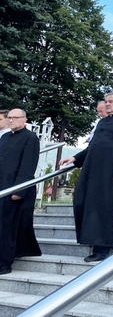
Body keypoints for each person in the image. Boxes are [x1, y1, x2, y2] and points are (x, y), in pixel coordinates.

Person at [60, 93, 113, 262]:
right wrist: (75, 158)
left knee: (104, 207)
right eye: (106, 102)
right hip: (91, 169)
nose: (107, 104)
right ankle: (89, 239)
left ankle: (102, 248)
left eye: (110, 102)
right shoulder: (102, 122)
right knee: (81, 200)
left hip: (111, 171)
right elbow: (92, 147)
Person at [0, 108, 41, 275]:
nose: (11, 120)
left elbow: (28, 165)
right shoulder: (5, 137)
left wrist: (19, 189)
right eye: (9, 117)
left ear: (24, 119)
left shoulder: (30, 138)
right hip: (2, 186)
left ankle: (5, 263)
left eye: (15, 118)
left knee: (8, 226)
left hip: (16, 189)